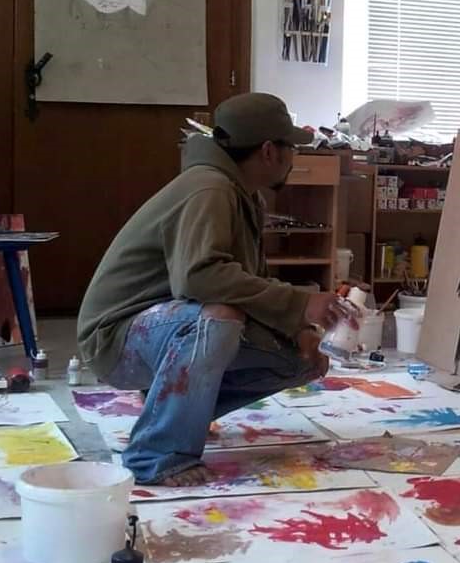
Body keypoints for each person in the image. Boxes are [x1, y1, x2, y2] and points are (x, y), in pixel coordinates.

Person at [77, 93, 352, 486]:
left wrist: (300, 326)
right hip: (114, 340)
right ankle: (157, 454)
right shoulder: (210, 189)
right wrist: (301, 302)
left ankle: (176, 415)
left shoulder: (241, 194)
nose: (295, 157)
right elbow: (198, 278)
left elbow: (249, 282)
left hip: (161, 328)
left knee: (303, 359)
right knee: (219, 318)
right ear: (269, 151)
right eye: (292, 147)